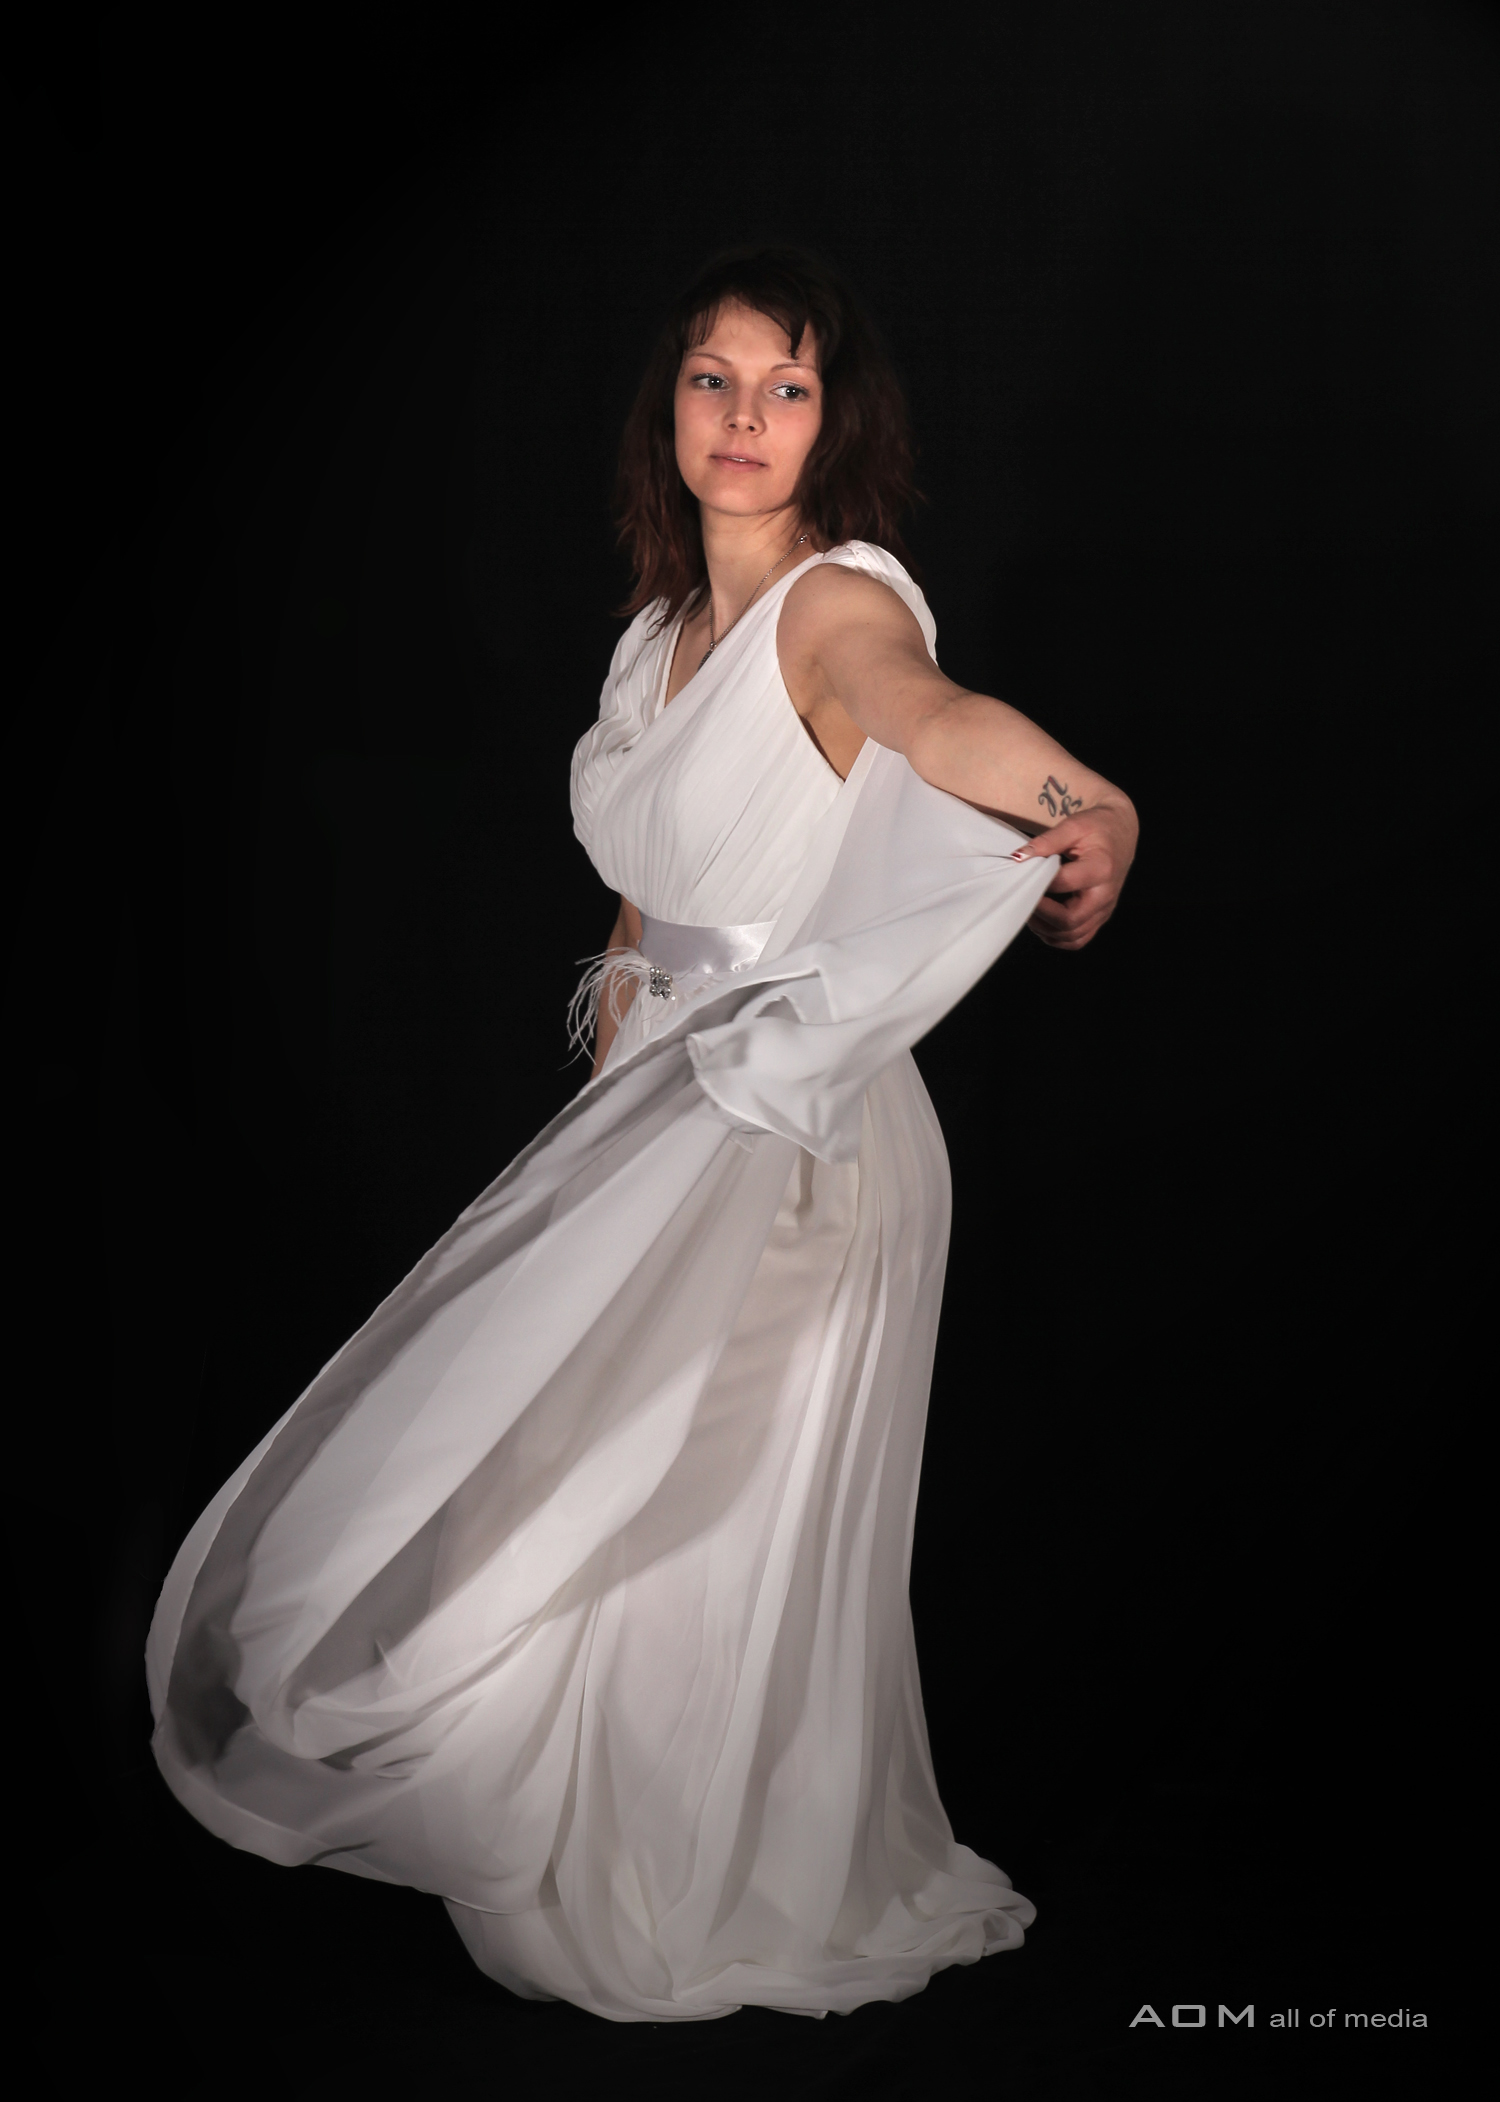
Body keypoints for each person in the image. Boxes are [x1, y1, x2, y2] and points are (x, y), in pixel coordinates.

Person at [147, 246, 1137, 2022]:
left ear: (837, 423)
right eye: (713, 379)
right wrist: (609, 1093)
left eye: (788, 386)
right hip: (663, 1105)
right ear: (668, 410)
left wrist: (1089, 800)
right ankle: (605, 1828)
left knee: (708, 1514)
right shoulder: (657, 635)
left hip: (795, 1133)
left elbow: (934, 720)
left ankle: (710, 1875)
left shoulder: (838, 609)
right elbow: (645, 901)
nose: (745, 416)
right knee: (581, 1476)